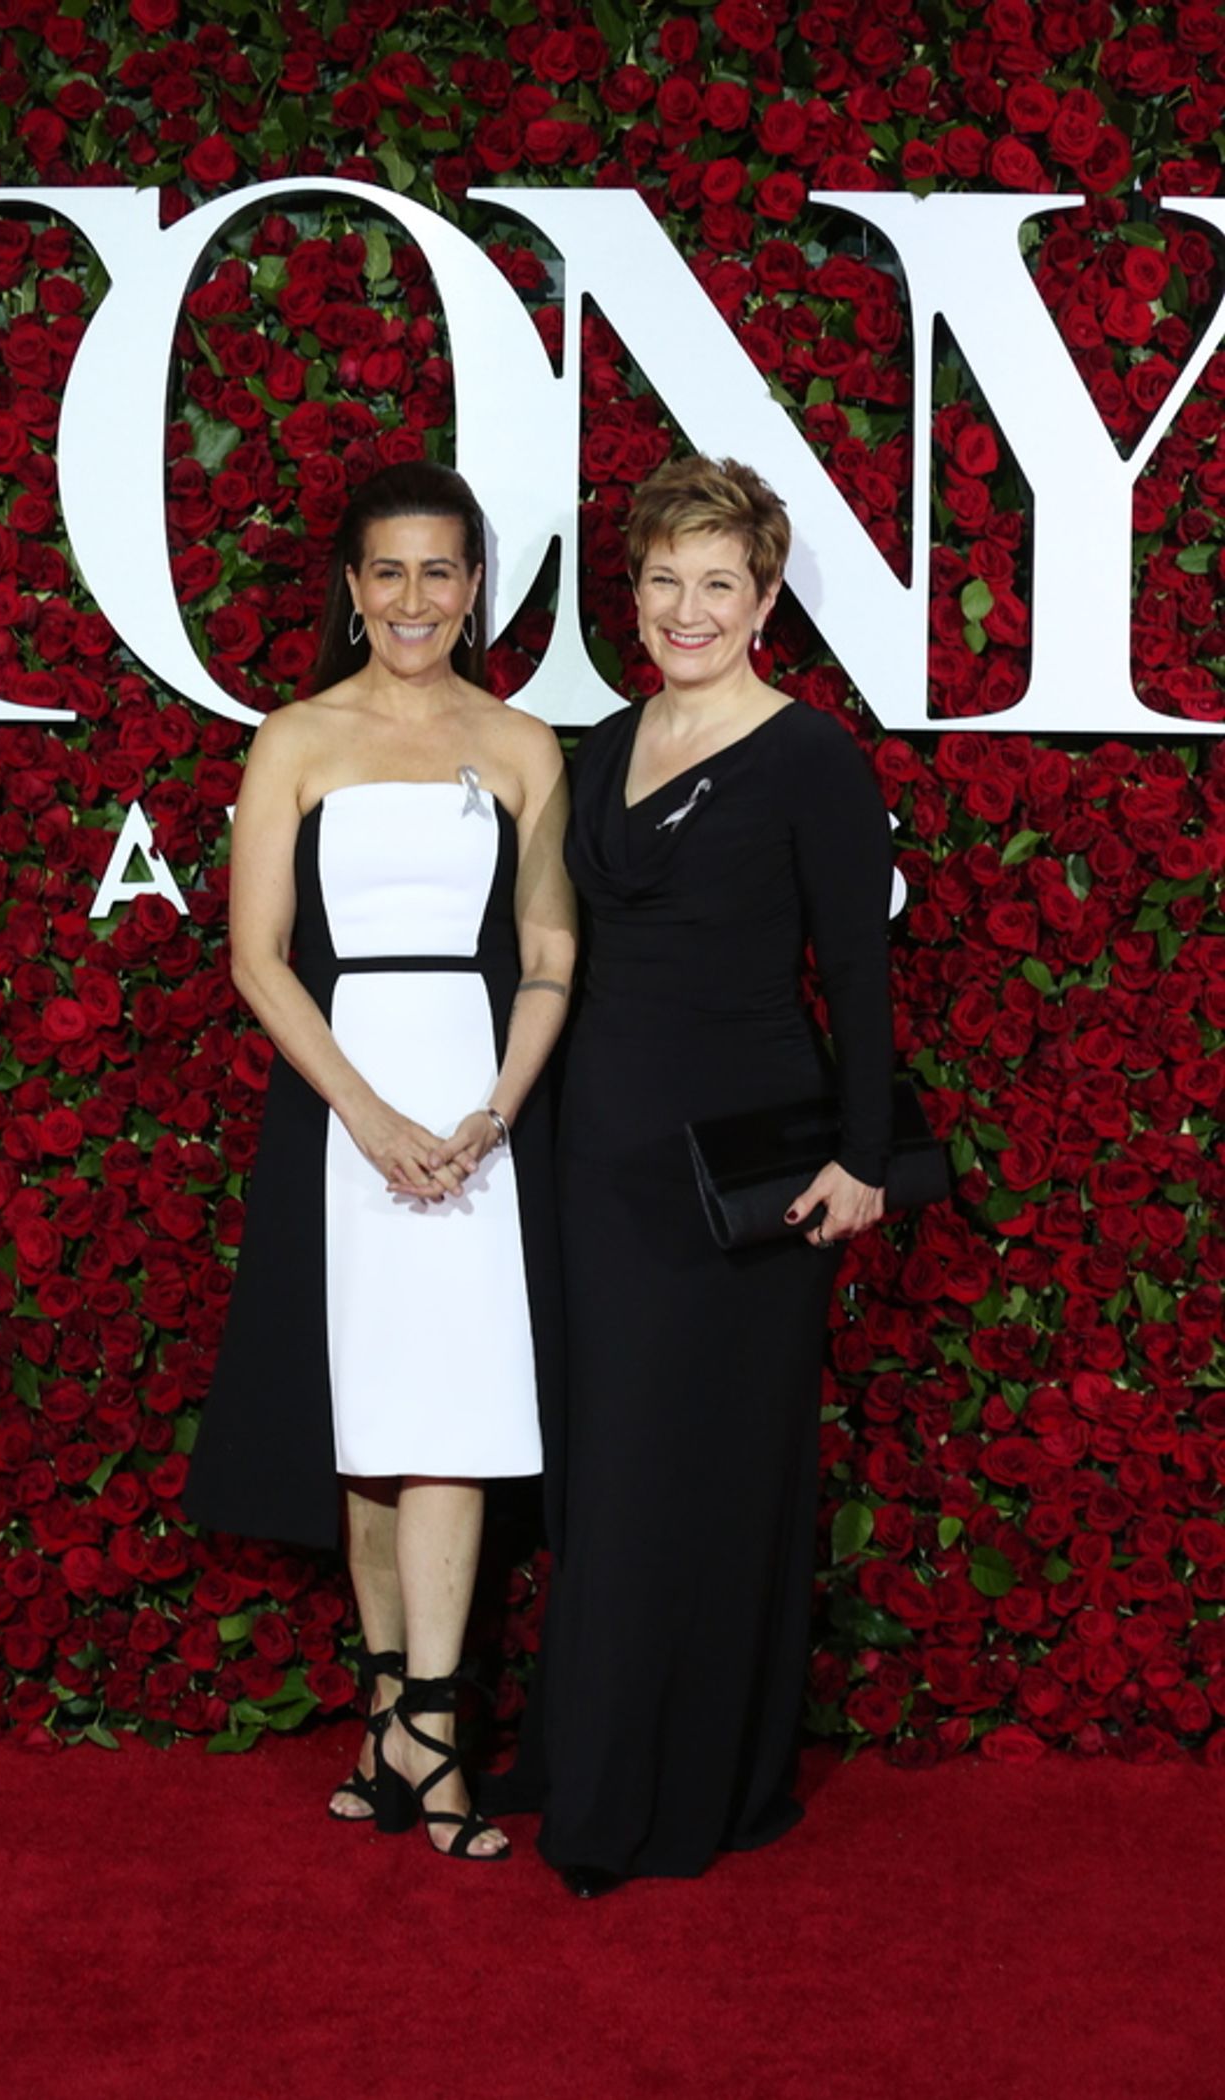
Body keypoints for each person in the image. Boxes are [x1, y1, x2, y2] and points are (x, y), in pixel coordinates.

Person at [183, 461, 574, 1863]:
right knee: (369, 1428)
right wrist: (366, 1114)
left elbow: (550, 952)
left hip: (480, 1115)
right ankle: (393, 1718)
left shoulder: (523, 744)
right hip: (341, 1110)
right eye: (389, 571)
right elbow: (257, 958)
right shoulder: (295, 737)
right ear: (353, 588)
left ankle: (431, 1735)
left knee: (455, 1418)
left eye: (440, 571)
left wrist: (492, 1114)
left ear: (474, 589)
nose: (415, 597)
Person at [524, 453, 894, 1893]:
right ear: (633, 590)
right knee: (608, 1463)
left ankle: (688, 1784)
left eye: (719, 583)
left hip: (751, 1168)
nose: (689, 608)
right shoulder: (604, 745)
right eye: (665, 578)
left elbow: (855, 971)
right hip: (601, 1154)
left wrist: (863, 1154)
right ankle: (601, 1752)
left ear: (765, 597)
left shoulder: (812, 758)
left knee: (714, 1467)